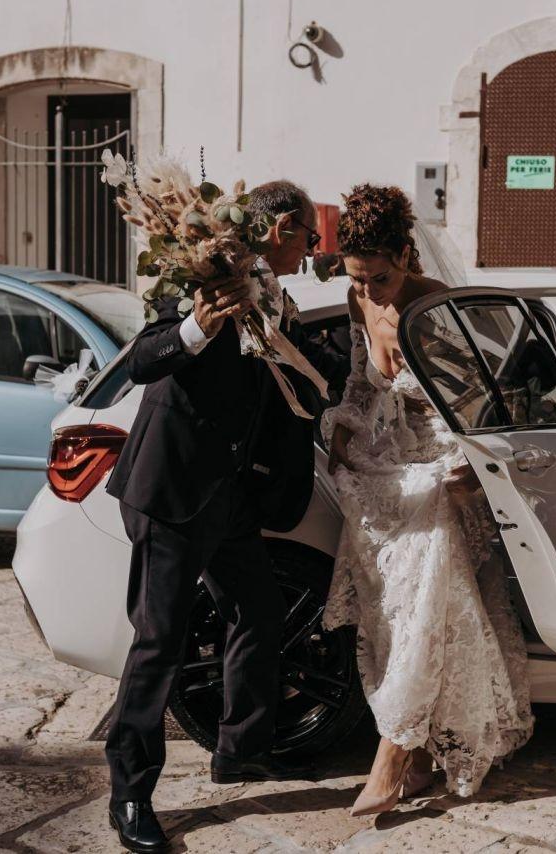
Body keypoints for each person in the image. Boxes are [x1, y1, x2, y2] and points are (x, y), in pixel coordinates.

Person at [102, 180, 326, 853]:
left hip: (229, 495)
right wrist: (197, 326)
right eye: (309, 235)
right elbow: (144, 360)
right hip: (173, 490)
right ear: (281, 228)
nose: (311, 248)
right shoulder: (200, 274)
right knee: (159, 641)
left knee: (259, 610)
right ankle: (130, 793)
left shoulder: (275, 295)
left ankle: (240, 750)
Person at [320, 184, 533, 816]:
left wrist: (475, 467)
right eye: (357, 278)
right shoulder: (358, 300)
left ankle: (390, 758)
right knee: (392, 618)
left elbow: (493, 396)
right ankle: (415, 762)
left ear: (406, 256)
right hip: (384, 470)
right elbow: (362, 382)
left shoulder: (441, 308)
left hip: (443, 472)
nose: (370, 291)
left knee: (425, 611)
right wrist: (342, 430)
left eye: (380, 277)